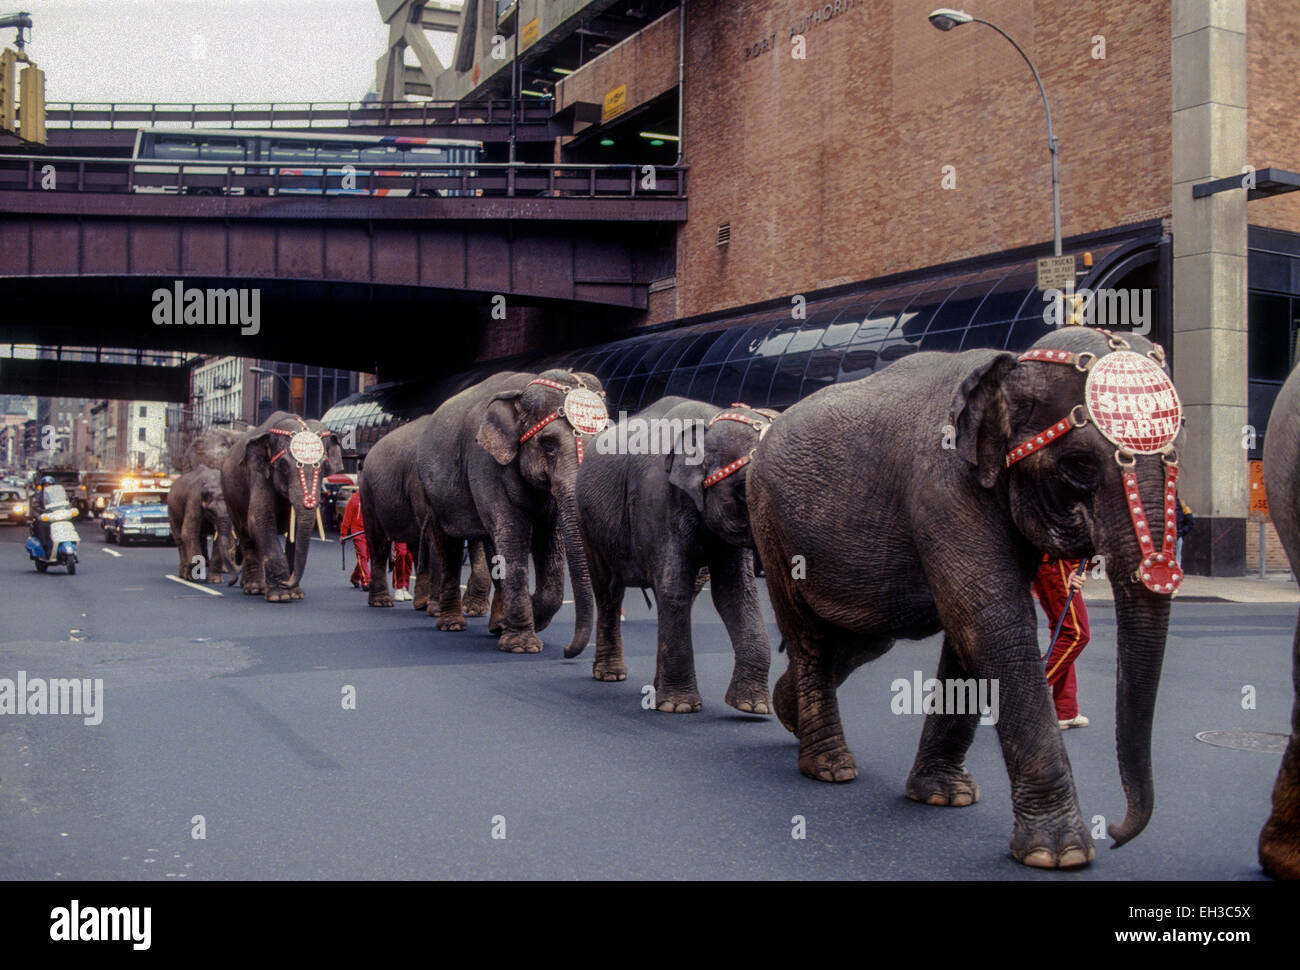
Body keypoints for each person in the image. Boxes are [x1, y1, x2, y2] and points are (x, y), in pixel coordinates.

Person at [1031, 555, 1090, 729]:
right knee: (1077, 634)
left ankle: (1066, 710)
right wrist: (1078, 567)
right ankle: (1027, 692)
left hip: (1050, 562)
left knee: (1063, 634)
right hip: (1057, 562)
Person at [340, 489, 369, 591]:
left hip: (369, 532)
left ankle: (355, 577)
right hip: (357, 532)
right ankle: (366, 581)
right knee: (363, 556)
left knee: (366, 557)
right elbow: (347, 518)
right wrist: (343, 534)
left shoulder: (372, 499)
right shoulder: (354, 500)